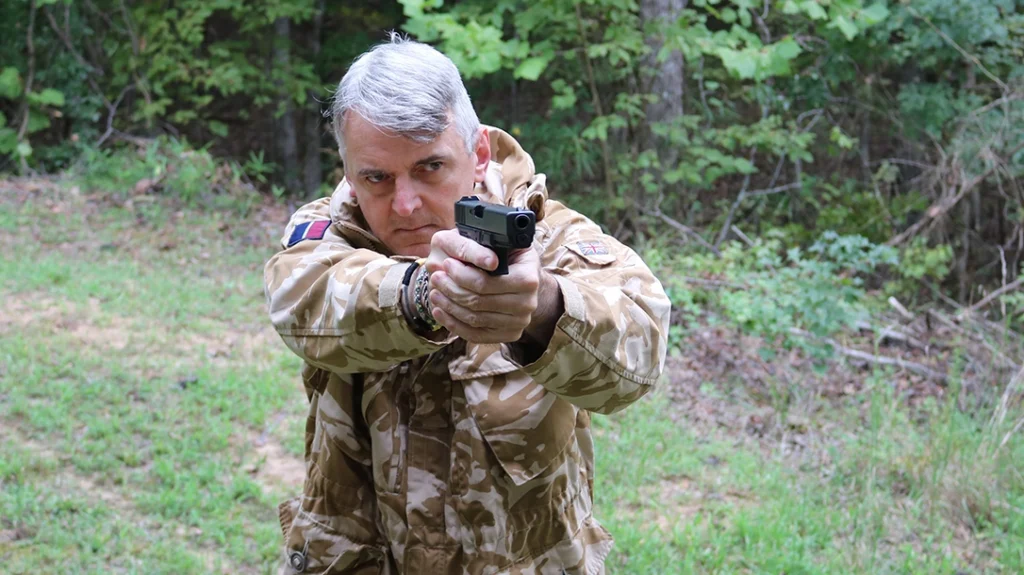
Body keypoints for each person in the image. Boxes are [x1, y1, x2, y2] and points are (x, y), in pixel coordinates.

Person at [263, 34, 671, 575]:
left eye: (429, 167)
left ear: (478, 153)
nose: (405, 204)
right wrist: (421, 295)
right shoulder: (329, 233)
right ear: (348, 171)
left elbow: (639, 356)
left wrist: (544, 308)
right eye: (377, 177)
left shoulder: (547, 236)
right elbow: (300, 303)